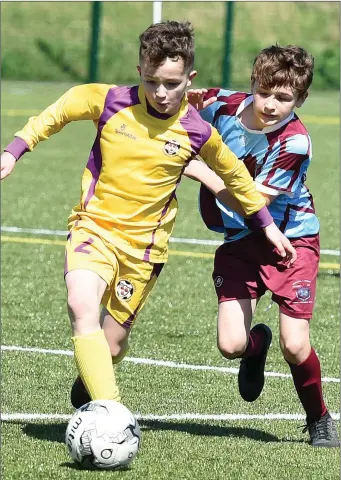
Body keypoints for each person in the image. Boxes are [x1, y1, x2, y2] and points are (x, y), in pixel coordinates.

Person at [0, 22, 295, 415]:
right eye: (152, 80)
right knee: (81, 304)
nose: (160, 92)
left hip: (143, 251)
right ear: (140, 71)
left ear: (190, 79)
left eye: (171, 84)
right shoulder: (108, 101)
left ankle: (96, 370)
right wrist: (15, 149)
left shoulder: (197, 131)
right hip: (95, 229)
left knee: (114, 344)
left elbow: (236, 177)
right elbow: (57, 112)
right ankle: (110, 412)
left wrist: (268, 226)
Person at [184, 44, 339, 447]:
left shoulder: (295, 142)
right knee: (231, 344)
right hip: (239, 241)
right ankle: (256, 347)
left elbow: (252, 202)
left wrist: (200, 169)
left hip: (291, 241)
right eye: (264, 92)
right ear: (253, 83)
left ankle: (319, 417)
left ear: (300, 100)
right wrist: (185, 101)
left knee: (295, 343)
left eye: (284, 98)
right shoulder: (222, 105)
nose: (270, 105)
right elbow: (174, 104)